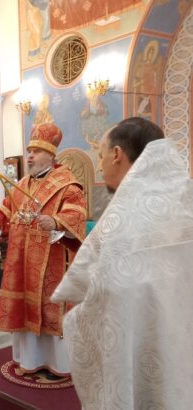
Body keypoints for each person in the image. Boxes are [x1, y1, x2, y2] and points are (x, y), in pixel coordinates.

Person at [51, 117, 190, 408]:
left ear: (116, 154)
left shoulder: (124, 219)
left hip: (139, 344)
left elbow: (107, 293)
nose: (100, 166)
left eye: (100, 155)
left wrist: (75, 318)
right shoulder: (184, 199)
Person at [0, 122, 87, 377]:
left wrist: (57, 222)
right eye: (29, 151)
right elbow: (6, 211)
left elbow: (78, 215)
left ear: (51, 155)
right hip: (21, 261)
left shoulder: (67, 185)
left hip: (51, 263)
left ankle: (58, 363)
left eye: (36, 151)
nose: (30, 156)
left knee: (51, 309)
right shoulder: (23, 184)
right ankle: (29, 360)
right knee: (24, 310)